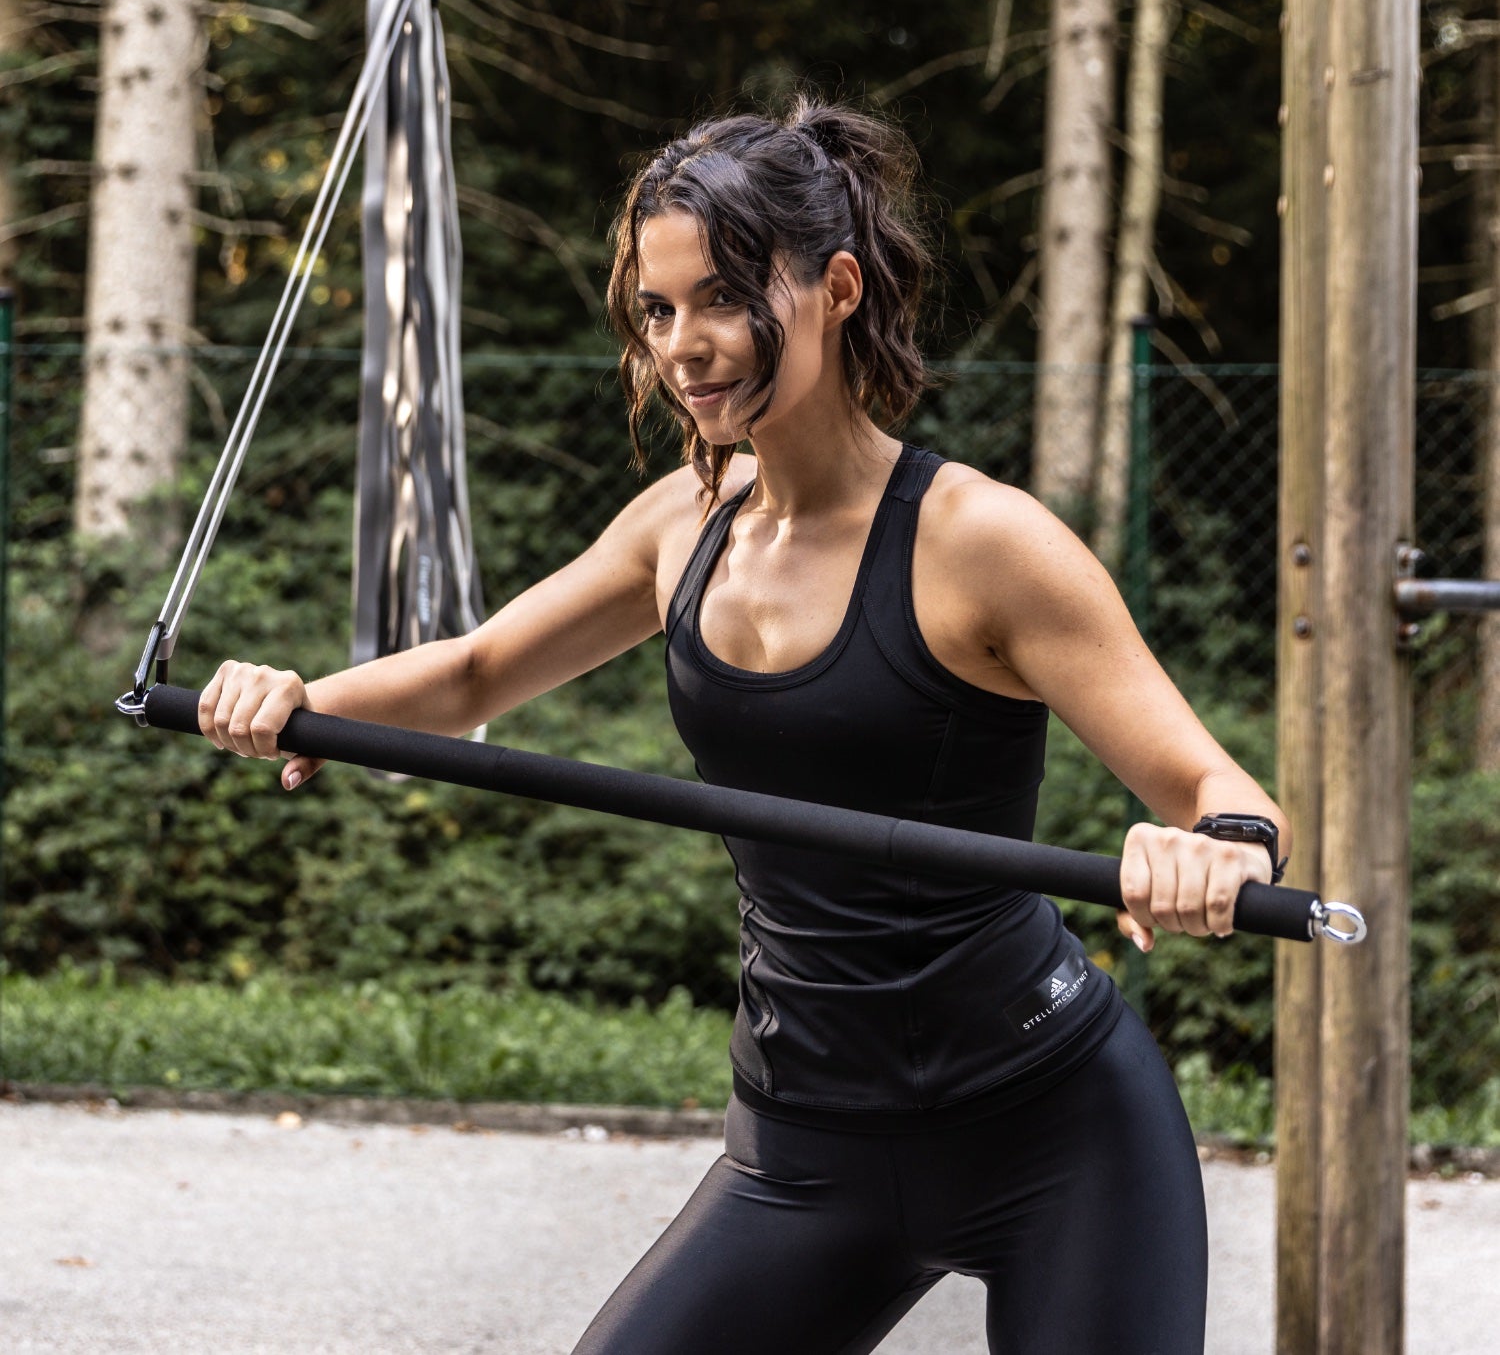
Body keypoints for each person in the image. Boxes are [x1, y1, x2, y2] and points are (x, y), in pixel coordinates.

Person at [200, 97, 1289, 1355]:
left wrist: (1217, 847)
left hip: (1051, 1130)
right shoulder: (681, 527)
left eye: (720, 298)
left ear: (833, 287)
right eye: (658, 312)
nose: (684, 346)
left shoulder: (979, 543)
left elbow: (1217, 785)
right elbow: (476, 673)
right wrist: (298, 703)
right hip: (803, 1139)